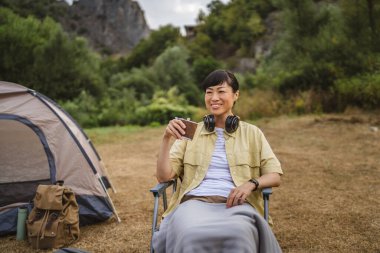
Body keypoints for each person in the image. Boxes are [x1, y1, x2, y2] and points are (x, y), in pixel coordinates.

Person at [153, 69, 283, 253]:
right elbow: (164, 177)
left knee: (239, 234)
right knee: (190, 233)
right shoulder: (190, 132)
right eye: (209, 91)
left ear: (235, 95)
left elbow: (275, 175)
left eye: (221, 91)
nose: (214, 97)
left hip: (238, 205)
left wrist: (251, 184)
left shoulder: (252, 133)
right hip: (194, 203)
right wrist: (166, 138)